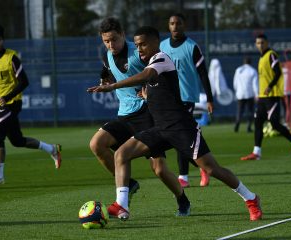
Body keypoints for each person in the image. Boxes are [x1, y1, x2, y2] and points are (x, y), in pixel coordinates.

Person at [88, 26, 262, 222]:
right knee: (122, 153)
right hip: (160, 129)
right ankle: (122, 205)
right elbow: (152, 84)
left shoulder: (161, 58)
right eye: (137, 45)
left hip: (182, 127)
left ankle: (251, 198)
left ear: (156, 43)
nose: (140, 49)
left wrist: (113, 86)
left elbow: (147, 75)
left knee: (212, 169)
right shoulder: (149, 64)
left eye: (144, 44)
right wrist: (147, 94)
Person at [89, 17, 190, 215]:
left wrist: (148, 89)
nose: (111, 45)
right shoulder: (108, 54)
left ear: (123, 35)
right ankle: (129, 186)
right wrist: (105, 78)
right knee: (96, 144)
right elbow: (109, 68)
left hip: (147, 115)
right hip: (125, 116)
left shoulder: (137, 52)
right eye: (106, 41)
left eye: (114, 40)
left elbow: (154, 72)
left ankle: (182, 199)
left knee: (159, 169)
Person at [0, 22, 61, 185]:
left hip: (12, 103)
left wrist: (7, 96)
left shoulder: (11, 57)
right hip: (1, 104)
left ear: (3, 40)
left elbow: (24, 81)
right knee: (17, 141)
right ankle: (52, 149)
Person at [160, 13, 213, 188]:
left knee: (180, 136)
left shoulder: (192, 47)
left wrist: (209, 99)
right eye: (172, 23)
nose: (175, 26)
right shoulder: (162, 46)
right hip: (168, 99)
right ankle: (202, 166)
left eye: (178, 23)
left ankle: (183, 176)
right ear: (169, 26)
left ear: (184, 26)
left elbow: (203, 73)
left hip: (186, 98)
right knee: (183, 137)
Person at [241, 34, 291, 161]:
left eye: (262, 42)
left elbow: (278, 72)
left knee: (274, 124)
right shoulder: (261, 57)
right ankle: (256, 152)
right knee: (258, 122)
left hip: (272, 95)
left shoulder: (271, 54)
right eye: (258, 43)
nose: (260, 45)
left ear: (267, 43)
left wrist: (270, 86)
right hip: (263, 97)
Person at [233, 56, 258, 133]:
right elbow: (255, 84)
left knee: (240, 111)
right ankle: (249, 127)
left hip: (240, 94)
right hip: (249, 94)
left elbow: (235, 83)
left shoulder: (238, 70)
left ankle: (237, 124)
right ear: (250, 62)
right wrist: (256, 94)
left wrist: (237, 91)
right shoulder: (253, 71)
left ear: (244, 62)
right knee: (250, 111)